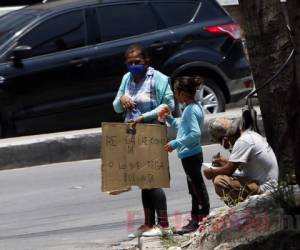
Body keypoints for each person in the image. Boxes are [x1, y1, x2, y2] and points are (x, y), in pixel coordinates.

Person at [113, 44, 175, 238]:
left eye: (137, 62)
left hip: (152, 132)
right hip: (132, 134)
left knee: (153, 179)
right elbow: (116, 107)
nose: (133, 66)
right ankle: (149, 223)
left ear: (146, 61)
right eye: (130, 63)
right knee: (142, 180)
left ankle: (163, 225)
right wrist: (122, 98)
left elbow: (168, 105)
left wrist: (144, 116)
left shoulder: (159, 79)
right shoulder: (126, 79)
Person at [159, 76, 210, 234]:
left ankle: (201, 219)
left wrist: (175, 143)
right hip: (190, 155)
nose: (175, 95)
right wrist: (170, 119)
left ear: (182, 93)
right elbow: (183, 127)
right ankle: (197, 218)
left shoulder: (190, 110)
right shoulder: (193, 108)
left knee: (197, 188)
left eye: (176, 92)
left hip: (191, 155)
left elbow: (195, 134)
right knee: (194, 187)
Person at [203, 117, 279, 206]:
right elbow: (238, 167)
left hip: (265, 187)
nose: (221, 145)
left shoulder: (242, 142)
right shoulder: (248, 135)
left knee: (219, 181)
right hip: (262, 181)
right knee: (220, 172)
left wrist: (212, 172)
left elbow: (229, 170)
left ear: (225, 139)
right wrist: (224, 162)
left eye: (220, 142)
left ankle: (238, 208)